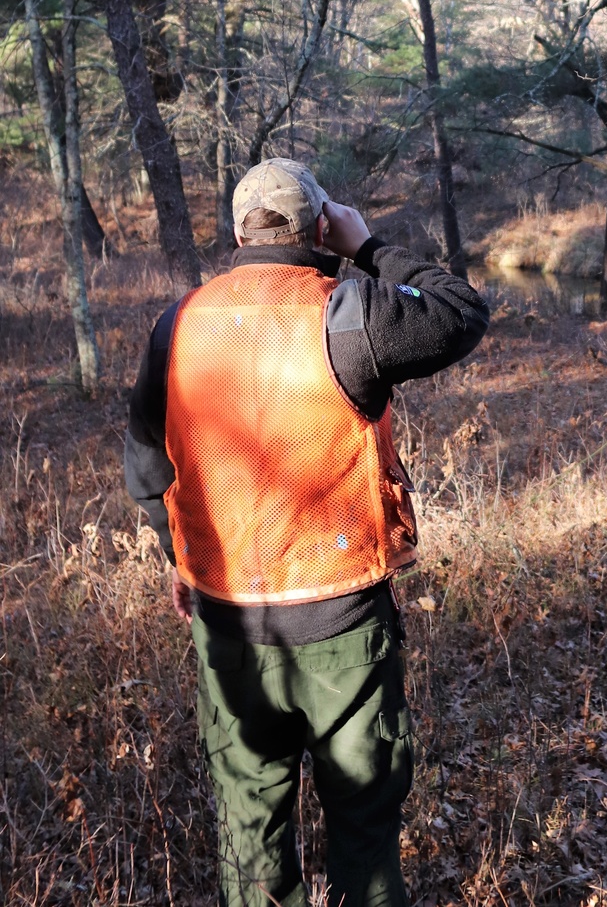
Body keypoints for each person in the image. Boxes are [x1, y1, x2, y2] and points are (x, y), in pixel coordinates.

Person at [125, 158, 489, 907]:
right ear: (321, 226)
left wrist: (185, 558)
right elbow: (460, 309)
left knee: (251, 832)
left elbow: (146, 473)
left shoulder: (176, 327)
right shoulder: (350, 313)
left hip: (228, 628)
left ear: (236, 232)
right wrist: (369, 245)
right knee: (362, 829)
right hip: (344, 628)